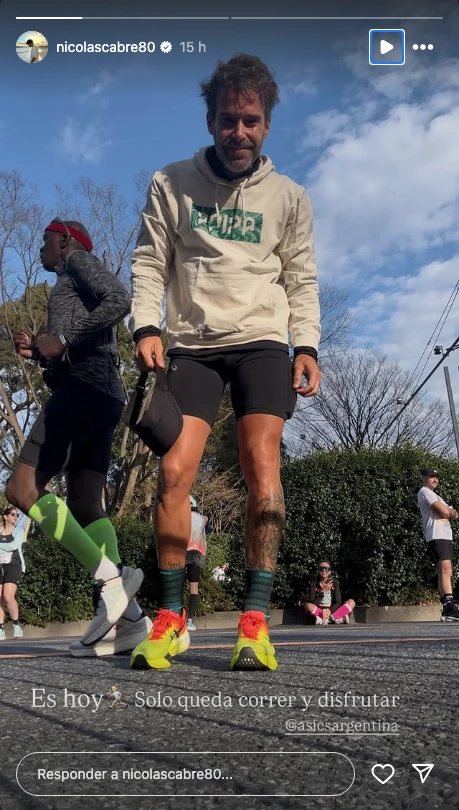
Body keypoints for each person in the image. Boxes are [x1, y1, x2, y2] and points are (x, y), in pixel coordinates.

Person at [129, 53, 321, 671]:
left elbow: (302, 278)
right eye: (228, 120)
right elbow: (149, 261)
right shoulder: (171, 182)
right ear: (210, 120)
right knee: (174, 474)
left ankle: (255, 621)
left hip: (263, 340)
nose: (239, 132)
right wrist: (147, 325)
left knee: (262, 465)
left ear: (267, 124)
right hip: (191, 343)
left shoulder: (290, 198)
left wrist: (307, 345)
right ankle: (170, 618)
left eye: (251, 121)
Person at [6, 217, 148, 655]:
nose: (40, 251)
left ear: (65, 241)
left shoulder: (79, 262)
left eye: (46, 242)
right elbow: (74, 350)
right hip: (100, 393)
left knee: (22, 488)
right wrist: (40, 356)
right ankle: (129, 622)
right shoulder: (69, 279)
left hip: (86, 389)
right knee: (86, 503)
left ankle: (110, 581)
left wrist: (63, 339)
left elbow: (121, 299)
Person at [417, 467, 459, 622]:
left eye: (436, 477)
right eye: (431, 477)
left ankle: (447, 608)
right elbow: (446, 511)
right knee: (445, 569)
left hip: (444, 535)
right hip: (437, 535)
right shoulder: (425, 492)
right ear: (424, 478)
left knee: (446, 569)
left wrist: (449, 512)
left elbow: (453, 513)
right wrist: (448, 512)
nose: (435, 480)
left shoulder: (435, 495)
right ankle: (450, 608)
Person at [0, 508, 26, 639]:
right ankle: (0, 629)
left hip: (14, 566)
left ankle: (16, 626)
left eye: (17, 515)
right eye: (12, 514)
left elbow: (13, 546)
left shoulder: (18, 531)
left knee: (8, 596)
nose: (15, 517)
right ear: (5, 517)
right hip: (0, 566)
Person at [185, 496, 208, 631]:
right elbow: (207, 524)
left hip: (181, 552)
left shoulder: (180, 518)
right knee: (193, 587)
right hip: (196, 554)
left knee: (178, 585)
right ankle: (190, 620)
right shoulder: (202, 519)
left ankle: (176, 617)